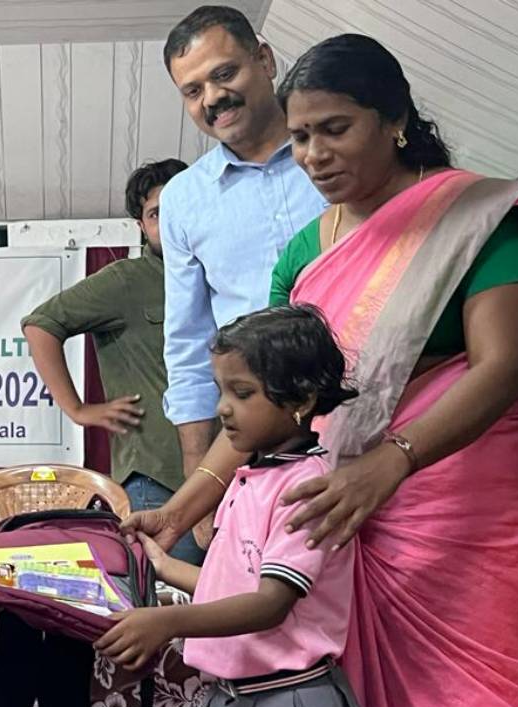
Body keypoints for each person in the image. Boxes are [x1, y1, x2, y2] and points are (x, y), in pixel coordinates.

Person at [129, 34, 518, 707]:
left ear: (396, 120)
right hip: (339, 516)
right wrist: (184, 505)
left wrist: (392, 462)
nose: (313, 154)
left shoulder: (479, 220)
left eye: (335, 130)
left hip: (457, 519)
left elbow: (504, 365)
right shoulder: (305, 250)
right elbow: (266, 399)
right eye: (302, 136)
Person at [97, 306, 409, 707]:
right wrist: (160, 566)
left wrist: (165, 621)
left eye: (241, 393)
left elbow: (269, 604)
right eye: (221, 391)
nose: (222, 409)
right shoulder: (254, 479)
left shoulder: (306, 489)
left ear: (301, 399)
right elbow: (233, 588)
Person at [158, 6, 326, 510]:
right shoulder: (183, 198)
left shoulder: (333, 155)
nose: (212, 97)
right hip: (259, 444)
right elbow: (188, 343)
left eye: (224, 73)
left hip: (374, 414)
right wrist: (198, 478)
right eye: (192, 91)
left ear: (266, 60)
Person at [21, 159, 203, 563]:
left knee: (229, 597)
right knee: (166, 598)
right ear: (141, 226)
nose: (170, 221)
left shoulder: (219, 275)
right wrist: (79, 409)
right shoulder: (126, 280)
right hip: (159, 480)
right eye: (156, 213)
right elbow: (40, 325)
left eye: (180, 208)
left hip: (229, 474)